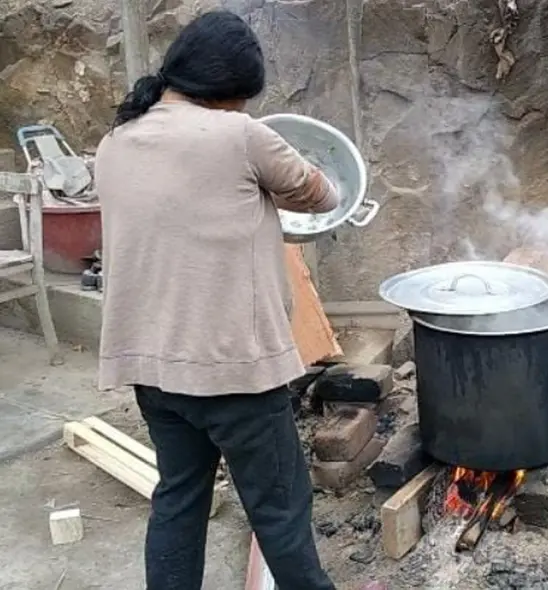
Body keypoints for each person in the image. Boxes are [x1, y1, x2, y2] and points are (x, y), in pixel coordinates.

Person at [94, 10, 340, 590]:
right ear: (229, 90)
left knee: (178, 499)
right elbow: (323, 194)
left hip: (154, 373)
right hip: (236, 375)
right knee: (280, 512)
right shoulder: (241, 136)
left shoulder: (115, 141)